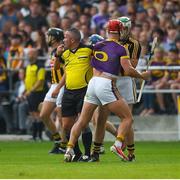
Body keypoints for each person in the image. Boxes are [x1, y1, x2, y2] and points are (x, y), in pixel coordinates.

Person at [64, 19, 149, 162]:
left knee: (82, 121)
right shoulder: (121, 48)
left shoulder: (97, 45)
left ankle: (69, 149)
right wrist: (142, 76)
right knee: (127, 118)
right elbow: (128, 70)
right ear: (121, 31)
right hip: (107, 83)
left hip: (93, 83)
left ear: (107, 31)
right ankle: (118, 143)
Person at [91, 16, 141, 161]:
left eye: (124, 28)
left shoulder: (134, 44)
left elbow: (132, 66)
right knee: (101, 116)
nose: (122, 31)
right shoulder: (108, 42)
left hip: (125, 81)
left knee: (127, 118)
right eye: (120, 28)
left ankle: (131, 152)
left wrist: (117, 66)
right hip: (108, 79)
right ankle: (96, 151)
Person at [55, 28, 93, 161]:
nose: (63, 39)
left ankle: (88, 153)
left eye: (65, 37)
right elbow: (57, 68)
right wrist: (57, 55)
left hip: (84, 91)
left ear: (72, 40)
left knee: (83, 123)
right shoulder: (65, 54)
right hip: (68, 92)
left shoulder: (88, 50)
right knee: (66, 126)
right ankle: (76, 153)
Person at [39, 28, 66, 154]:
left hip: (63, 85)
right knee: (44, 114)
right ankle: (57, 140)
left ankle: (64, 145)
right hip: (54, 85)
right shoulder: (53, 51)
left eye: (49, 36)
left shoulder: (63, 50)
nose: (47, 38)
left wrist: (59, 87)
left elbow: (67, 72)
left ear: (54, 37)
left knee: (62, 118)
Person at [24, 48, 46, 140]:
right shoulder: (28, 66)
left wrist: (31, 90)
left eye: (31, 54)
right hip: (30, 93)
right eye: (28, 54)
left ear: (36, 55)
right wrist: (26, 91)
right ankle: (34, 136)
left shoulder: (40, 66)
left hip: (37, 93)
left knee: (37, 114)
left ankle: (39, 136)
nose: (29, 55)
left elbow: (40, 81)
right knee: (32, 114)